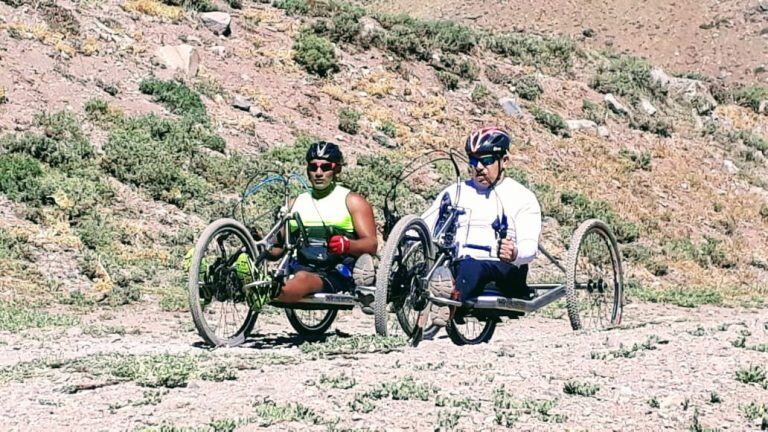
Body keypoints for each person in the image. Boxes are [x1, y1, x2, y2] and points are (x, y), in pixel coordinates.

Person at [421, 127, 542, 325]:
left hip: (504, 269)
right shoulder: (455, 192)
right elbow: (425, 224)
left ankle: (449, 304)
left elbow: (531, 247)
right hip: (458, 263)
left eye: (486, 161)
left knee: (471, 266)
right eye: (473, 160)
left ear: (504, 161)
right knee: (454, 265)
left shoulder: (522, 197)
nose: (478, 167)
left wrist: (514, 252)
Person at [266, 141, 378, 304]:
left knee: (303, 278)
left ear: (337, 169)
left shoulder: (353, 201)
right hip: (300, 268)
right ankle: (250, 284)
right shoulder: (295, 202)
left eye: (325, 167)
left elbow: (371, 245)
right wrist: (260, 246)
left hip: (336, 272)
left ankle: (271, 293)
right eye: (313, 167)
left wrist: (347, 245)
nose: (318, 173)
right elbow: (278, 248)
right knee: (300, 276)